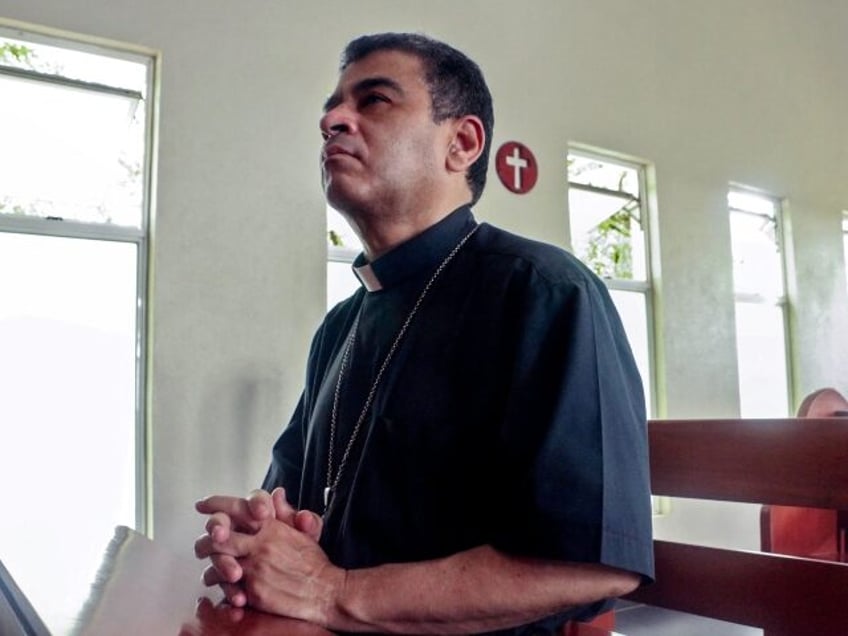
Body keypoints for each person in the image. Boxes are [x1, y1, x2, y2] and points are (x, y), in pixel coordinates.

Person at [194, 32, 654, 635]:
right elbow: (288, 510)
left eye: (375, 100)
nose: (333, 120)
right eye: (331, 109)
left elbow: (595, 562)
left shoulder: (543, 291)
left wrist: (334, 591)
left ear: (461, 143)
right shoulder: (342, 326)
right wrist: (258, 541)